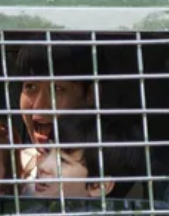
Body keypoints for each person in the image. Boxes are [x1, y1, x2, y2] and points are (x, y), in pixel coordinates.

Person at [13, 40, 102, 181]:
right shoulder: (10, 168)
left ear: (90, 95)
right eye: (30, 86)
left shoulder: (106, 169)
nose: (39, 106)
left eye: (57, 89)